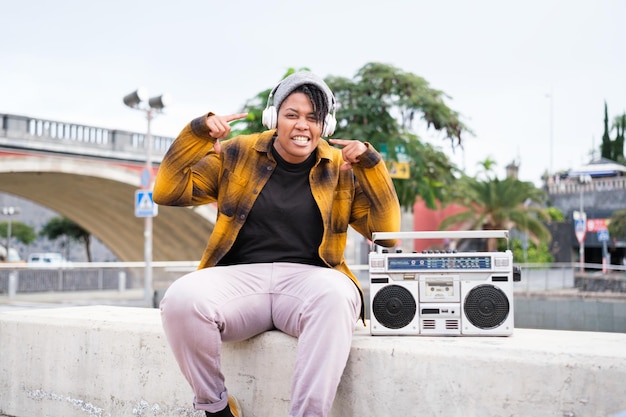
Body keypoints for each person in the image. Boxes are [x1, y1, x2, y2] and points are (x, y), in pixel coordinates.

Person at [153, 71, 401, 417]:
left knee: (337, 296)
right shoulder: (237, 153)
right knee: (181, 300)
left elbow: (387, 235)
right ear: (274, 118)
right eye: (292, 115)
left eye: (313, 118)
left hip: (310, 282)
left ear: (325, 125)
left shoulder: (341, 168)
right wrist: (196, 133)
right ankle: (215, 408)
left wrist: (372, 167)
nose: (303, 126)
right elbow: (166, 191)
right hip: (240, 282)